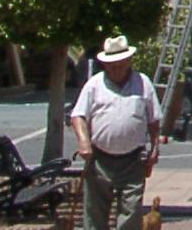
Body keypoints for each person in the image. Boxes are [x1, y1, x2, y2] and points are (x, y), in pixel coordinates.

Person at [69, 34, 162, 230]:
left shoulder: (143, 83)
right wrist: (84, 142)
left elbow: (154, 120)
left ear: (128, 61)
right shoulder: (94, 85)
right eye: (111, 65)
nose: (116, 69)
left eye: (120, 64)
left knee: (131, 210)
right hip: (100, 159)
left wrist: (154, 148)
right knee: (95, 213)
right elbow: (78, 116)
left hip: (133, 159)